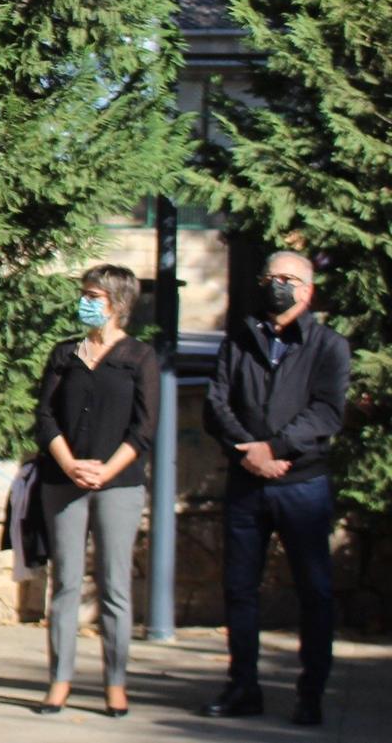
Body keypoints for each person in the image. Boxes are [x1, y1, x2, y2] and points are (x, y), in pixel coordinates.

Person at [201, 250, 351, 728]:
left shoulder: (328, 346)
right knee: (240, 589)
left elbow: (327, 412)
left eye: (289, 279)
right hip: (247, 485)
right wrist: (250, 451)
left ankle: (311, 694)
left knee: (315, 591)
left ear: (307, 291)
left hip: (302, 484)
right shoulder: (238, 341)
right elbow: (216, 404)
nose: (278, 285)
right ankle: (243, 686)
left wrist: (275, 447)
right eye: (272, 277)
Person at [31, 264, 158, 718]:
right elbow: (44, 417)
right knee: (64, 584)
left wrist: (105, 471)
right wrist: (68, 462)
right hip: (62, 481)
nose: (85, 302)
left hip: (118, 484)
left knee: (114, 586)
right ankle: (59, 680)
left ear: (117, 303)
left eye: (94, 296)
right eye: (83, 294)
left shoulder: (140, 357)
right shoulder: (65, 354)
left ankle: (116, 683)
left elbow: (144, 430)